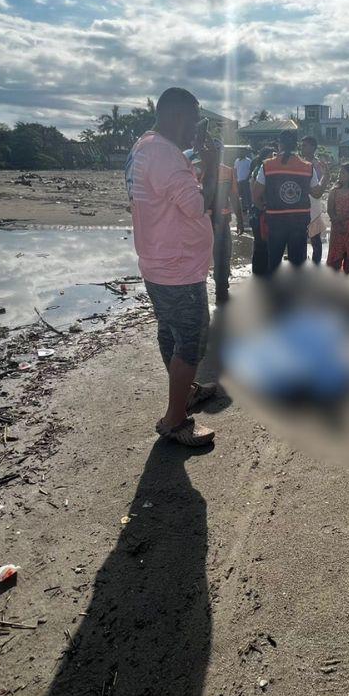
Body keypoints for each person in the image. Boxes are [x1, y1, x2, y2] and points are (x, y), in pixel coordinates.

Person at [127, 87, 219, 447]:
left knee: (172, 332)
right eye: (195, 119)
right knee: (192, 338)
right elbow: (197, 205)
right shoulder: (163, 154)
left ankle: (186, 392)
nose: (196, 127)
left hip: (158, 261)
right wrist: (212, 167)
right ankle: (175, 419)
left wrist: (199, 161)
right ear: (179, 116)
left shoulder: (143, 148)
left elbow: (168, 196)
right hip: (177, 267)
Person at [252, 130, 320, 272]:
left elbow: (256, 195)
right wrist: (327, 179)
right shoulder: (307, 166)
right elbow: (316, 193)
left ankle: (276, 292)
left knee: (274, 261)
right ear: (296, 145)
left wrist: (265, 209)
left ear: (279, 145)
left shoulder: (268, 165)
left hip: (276, 221)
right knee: (298, 264)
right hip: (299, 222)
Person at [197, 152, 245, 304]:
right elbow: (234, 197)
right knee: (222, 256)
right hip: (215, 221)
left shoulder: (197, 170)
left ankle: (215, 291)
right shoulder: (224, 171)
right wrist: (240, 220)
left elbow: (234, 196)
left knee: (212, 257)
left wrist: (240, 219)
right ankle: (221, 291)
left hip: (205, 220)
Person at [302, 136, 329, 265]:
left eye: (305, 145)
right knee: (300, 238)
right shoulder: (299, 163)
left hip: (313, 204)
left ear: (313, 147)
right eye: (302, 145)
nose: (302, 148)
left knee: (315, 238)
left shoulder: (318, 165)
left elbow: (319, 186)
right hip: (300, 205)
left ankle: (315, 266)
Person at [247, 147, 274, 276]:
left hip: (257, 210)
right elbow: (256, 194)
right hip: (261, 211)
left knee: (259, 243)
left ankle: (259, 272)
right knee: (263, 243)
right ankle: (262, 272)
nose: (273, 159)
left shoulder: (257, 170)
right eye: (271, 156)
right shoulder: (261, 171)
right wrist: (263, 207)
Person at [234, 148, 253, 213]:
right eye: (240, 152)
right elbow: (235, 170)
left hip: (246, 181)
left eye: (243, 152)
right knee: (241, 196)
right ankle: (244, 209)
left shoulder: (248, 161)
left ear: (245, 153)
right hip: (239, 181)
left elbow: (251, 171)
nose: (241, 153)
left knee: (247, 195)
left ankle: (250, 209)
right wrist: (235, 179)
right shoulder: (237, 161)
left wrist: (247, 179)